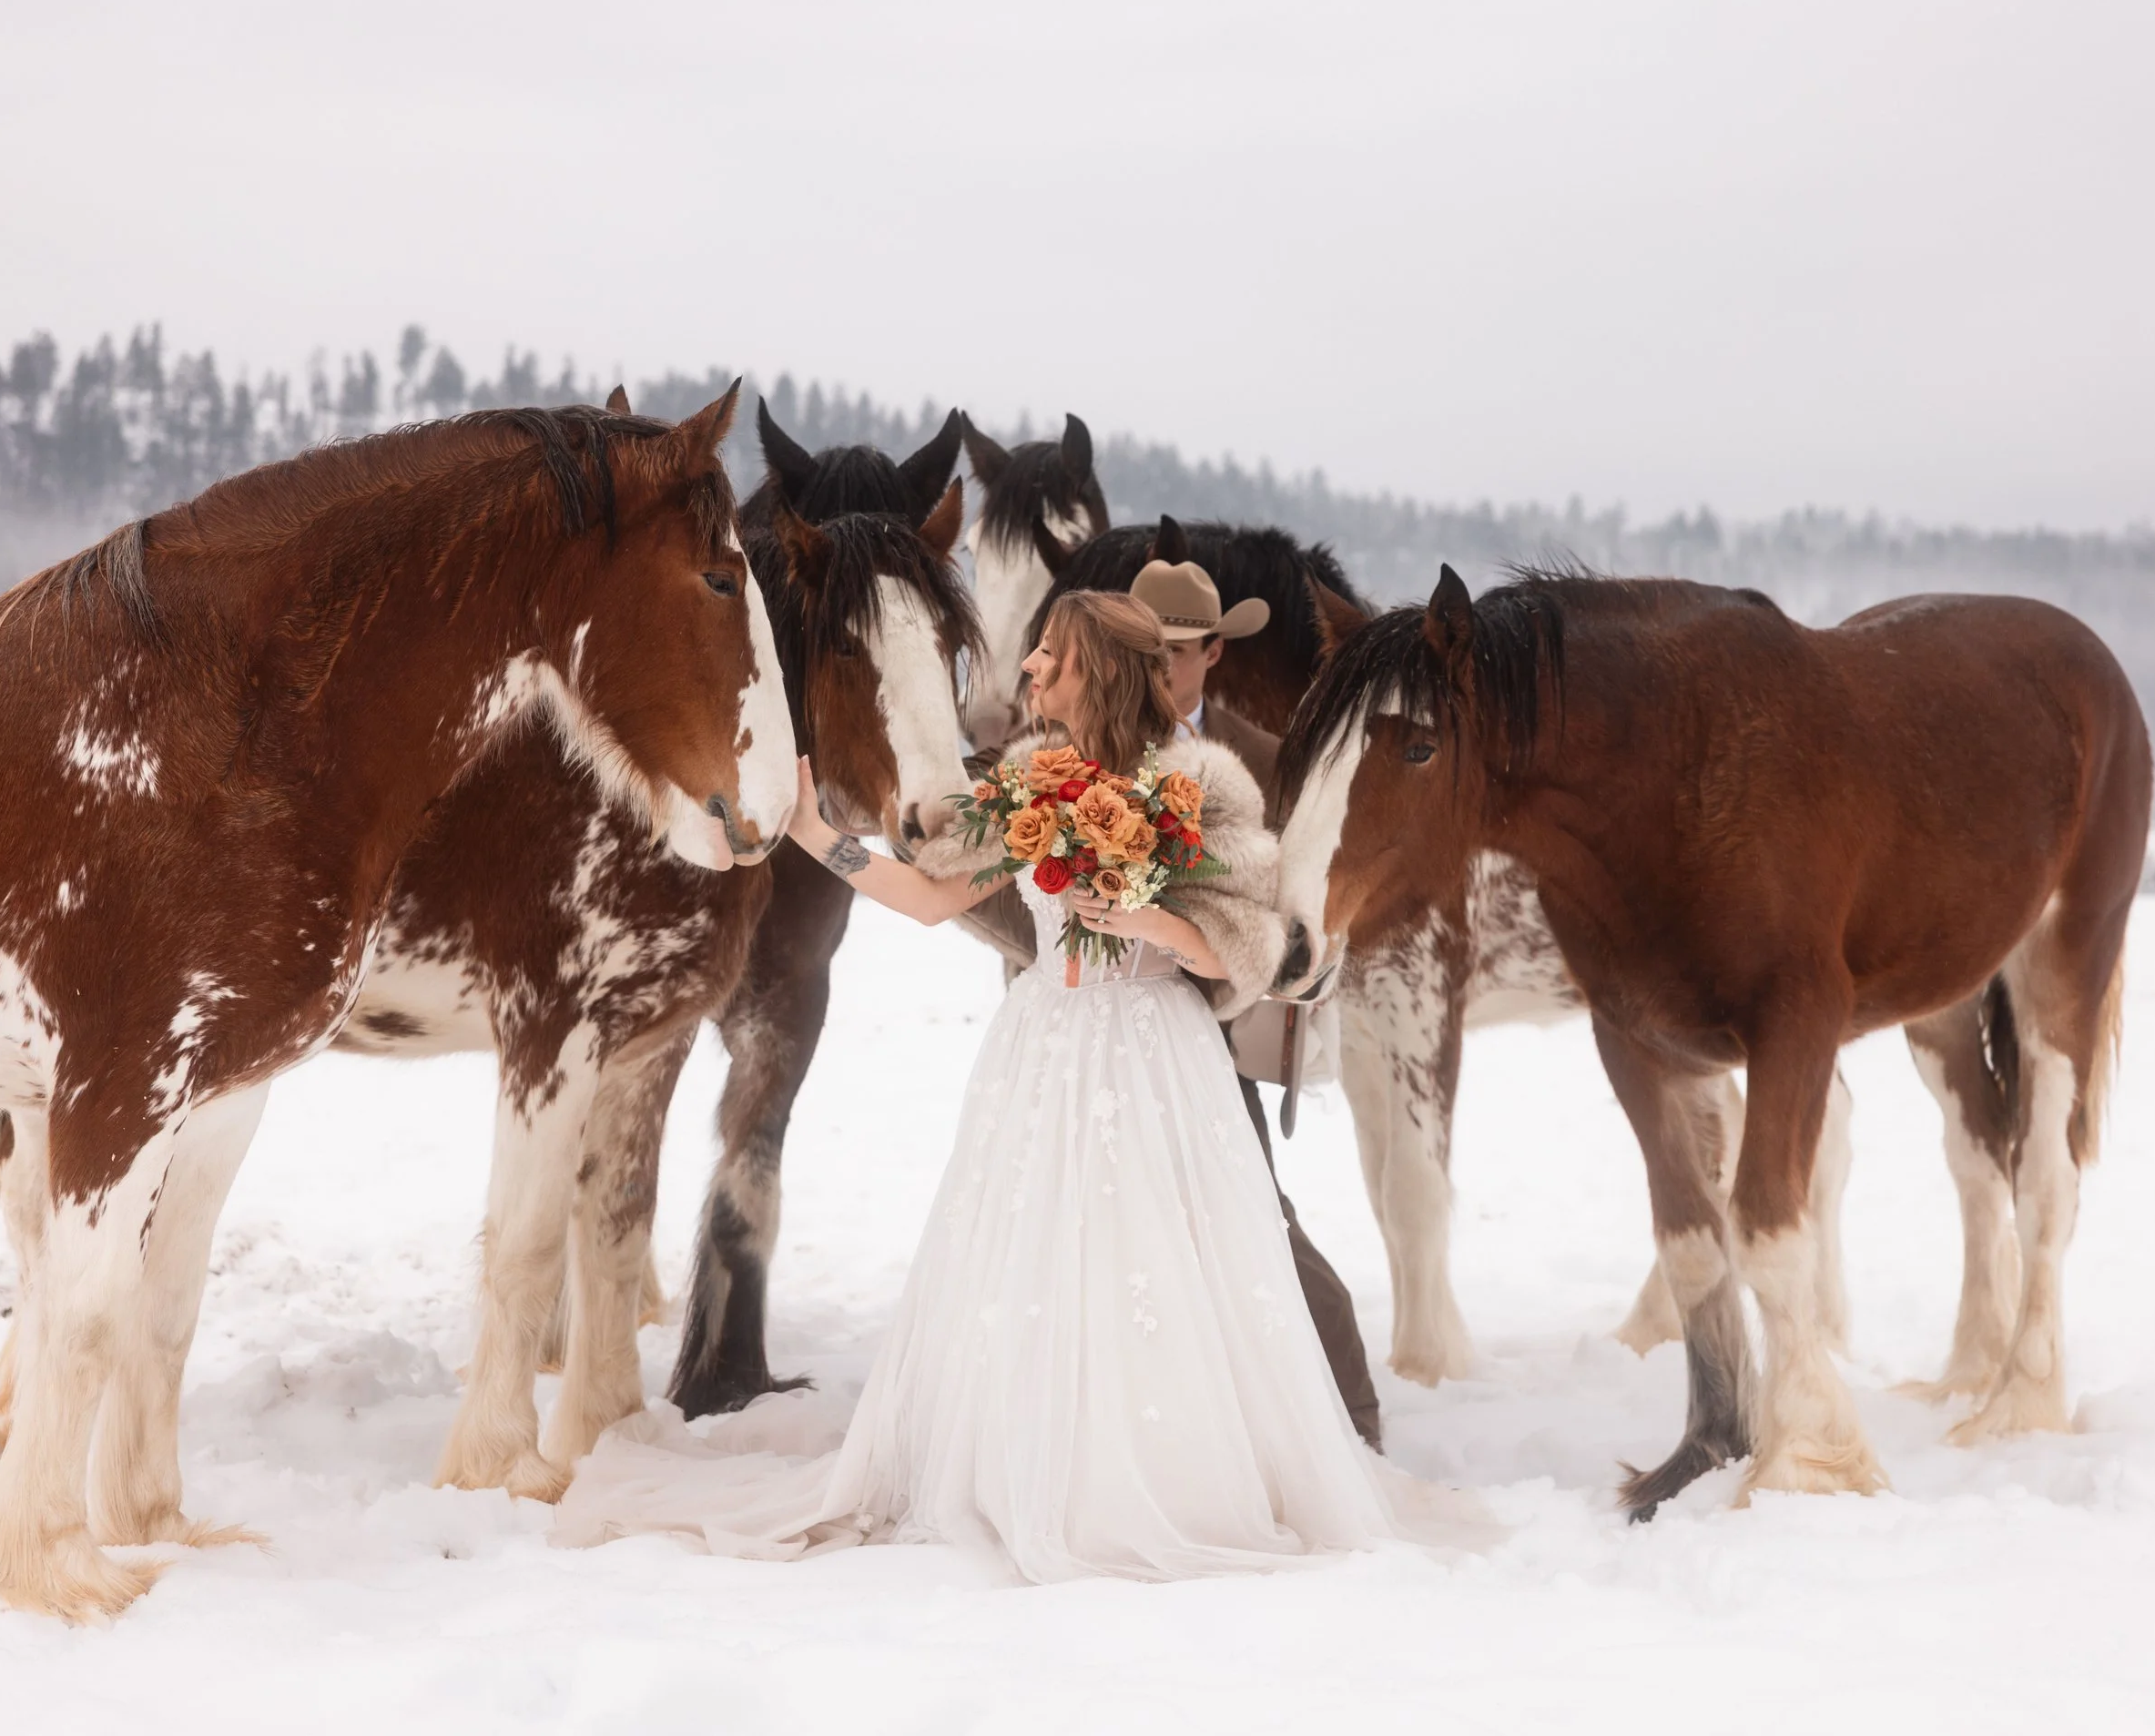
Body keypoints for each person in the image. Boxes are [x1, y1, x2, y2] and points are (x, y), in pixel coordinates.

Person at [553, 593, 1478, 1582]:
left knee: (1159, 1261)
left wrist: (1153, 923)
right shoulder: (1032, 782)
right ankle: (1026, 1465)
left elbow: (1249, 943)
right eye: (1034, 652)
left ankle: (1166, 1476)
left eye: (1050, 655)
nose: (1029, 669)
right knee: (1035, 1256)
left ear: (1099, 672)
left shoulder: (1196, 785)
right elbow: (929, 894)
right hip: (1044, 1049)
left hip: (1156, 1054)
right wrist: (820, 836)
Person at [1126, 556, 1383, 1449]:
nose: (1165, 667)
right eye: (1147, 648)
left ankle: (1350, 1420)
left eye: (1183, 649)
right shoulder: (1083, 754)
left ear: (1214, 653)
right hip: (1092, 1030)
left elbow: (1303, 894)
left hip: (1211, 1033)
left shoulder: (1266, 765)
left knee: (1259, 1220)